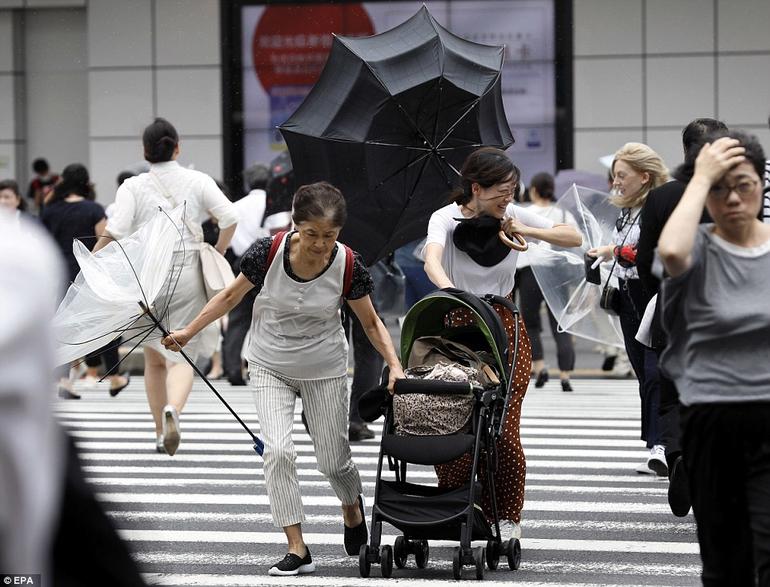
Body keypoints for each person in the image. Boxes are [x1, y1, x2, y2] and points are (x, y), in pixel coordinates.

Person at [161, 181, 404, 576]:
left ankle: (351, 508)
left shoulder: (348, 264)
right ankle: (297, 547)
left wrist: (394, 365)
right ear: (296, 225)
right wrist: (189, 331)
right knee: (277, 452)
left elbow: (371, 323)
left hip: (324, 367)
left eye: (330, 236)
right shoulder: (267, 252)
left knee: (333, 460)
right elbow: (229, 297)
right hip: (269, 363)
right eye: (312, 235)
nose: (321, 244)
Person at [423, 147, 582, 540]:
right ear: (476, 188)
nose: (508, 197)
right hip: (458, 326)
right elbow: (432, 260)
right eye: (501, 190)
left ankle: (506, 515)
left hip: (505, 327)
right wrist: (452, 292)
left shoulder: (511, 216)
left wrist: (526, 230)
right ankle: (460, 503)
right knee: (452, 423)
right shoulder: (445, 218)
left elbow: (572, 237)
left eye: (513, 189)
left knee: (503, 430)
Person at [658, 130, 770, 586]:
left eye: (743, 184)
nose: (733, 198)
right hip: (711, 417)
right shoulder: (696, 247)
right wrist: (701, 176)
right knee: (726, 562)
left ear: (761, 185)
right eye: (719, 189)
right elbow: (670, 251)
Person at [93, 117, 238, 456]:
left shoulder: (132, 186)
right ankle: (175, 409)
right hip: (187, 269)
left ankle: (160, 430)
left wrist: (93, 264)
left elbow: (115, 231)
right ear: (177, 147)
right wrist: (219, 249)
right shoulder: (198, 180)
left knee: (153, 358)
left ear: (144, 151)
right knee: (181, 354)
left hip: (146, 275)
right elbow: (230, 217)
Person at [636, 117, 726, 515]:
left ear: (685, 150)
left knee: (671, 396)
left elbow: (644, 264)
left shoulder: (661, 197)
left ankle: (677, 457)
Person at [587, 142, 670, 476]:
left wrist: (623, 253)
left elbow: (659, 250)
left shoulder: (659, 207)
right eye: (614, 175)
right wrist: (605, 253)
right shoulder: (626, 209)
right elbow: (625, 247)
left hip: (654, 293)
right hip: (626, 295)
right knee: (641, 373)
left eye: (621, 175)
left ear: (644, 176)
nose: (615, 182)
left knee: (656, 372)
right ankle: (656, 443)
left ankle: (665, 445)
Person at [40, 164, 131, 399]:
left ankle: (64, 381)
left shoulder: (50, 211)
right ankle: (114, 377)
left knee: (63, 326)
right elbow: (106, 242)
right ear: (86, 183)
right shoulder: (93, 209)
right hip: (88, 275)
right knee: (104, 324)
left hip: (58, 274)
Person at [515, 172, 576, 392]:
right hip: (557, 272)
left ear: (533, 190)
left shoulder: (525, 213)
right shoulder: (562, 214)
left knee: (530, 323)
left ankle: (539, 366)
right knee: (560, 323)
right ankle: (565, 374)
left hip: (529, 271)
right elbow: (577, 242)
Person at [222, 162, 271, 386]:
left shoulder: (236, 207)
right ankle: (268, 369)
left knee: (238, 319)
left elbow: (230, 236)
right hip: (270, 262)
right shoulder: (275, 205)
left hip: (242, 262)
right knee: (271, 318)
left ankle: (233, 369)